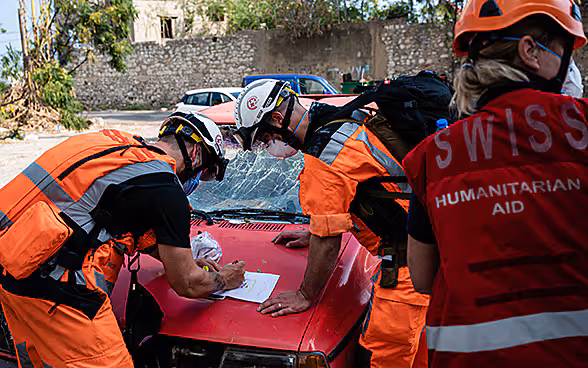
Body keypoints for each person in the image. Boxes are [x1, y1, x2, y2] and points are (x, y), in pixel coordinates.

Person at [403, 0, 587, 367]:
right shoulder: (582, 128)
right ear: (529, 50)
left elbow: (422, 278)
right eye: (565, 49)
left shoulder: (431, 157)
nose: (570, 63)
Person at [0, 111, 245, 367]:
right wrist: (225, 279)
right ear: (195, 153)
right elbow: (187, 284)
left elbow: (110, 212)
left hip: (13, 272)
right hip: (61, 296)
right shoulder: (166, 189)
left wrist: (186, 257)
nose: (198, 181)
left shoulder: (115, 148)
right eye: (206, 173)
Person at [233, 80, 429, 367]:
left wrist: (305, 294)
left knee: (386, 354)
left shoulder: (324, 153)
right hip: (431, 248)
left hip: (406, 266)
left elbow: (328, 239)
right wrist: (314, 230)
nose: (266, 147)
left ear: (278, 119)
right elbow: (371, 191)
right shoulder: (344, 118)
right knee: (420, 350)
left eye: (263, 137)